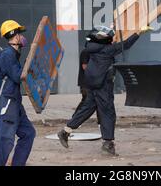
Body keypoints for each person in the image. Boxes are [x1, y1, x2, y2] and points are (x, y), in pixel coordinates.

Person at [57, 24, 152, 155]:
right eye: (110, 38)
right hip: (103, 85)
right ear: (104, 39)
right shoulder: (107, 50)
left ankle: (65, 131)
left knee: (87, 109)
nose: (112, 39)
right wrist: (139, 33)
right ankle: (108, 143)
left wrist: (110, 27)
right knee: (107, 112)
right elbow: (126, 44)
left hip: (92, 84)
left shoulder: (91, 46)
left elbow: (103, 37)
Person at [0, 20, 36, 166]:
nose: (21, 37)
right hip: (7, 102)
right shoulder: (7, 55)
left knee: (28, 133)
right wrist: (28, 65)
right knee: (6, 140)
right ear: (14, 35)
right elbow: (18, 77)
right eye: (19, 33)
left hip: (15, 102)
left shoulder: (13, 54)